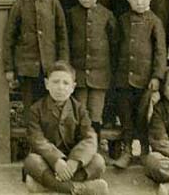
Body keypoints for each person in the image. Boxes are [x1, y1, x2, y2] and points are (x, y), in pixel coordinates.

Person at [23, 61, 109, 195]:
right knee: (31, 162)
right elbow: (37, 139)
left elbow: (90, 137)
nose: (60, 87)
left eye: (65, 83)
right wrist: (56, 160)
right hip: (49, 163)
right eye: (55, 82)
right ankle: (77, 189)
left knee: (98, 162)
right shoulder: (36, 109)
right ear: (47, 84)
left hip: (71, 165)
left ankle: (50, 187)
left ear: (73, 87)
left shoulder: (79, 109)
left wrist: (74, 162)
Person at [3, 0, 69, 122]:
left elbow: (62, 38)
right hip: (27, 68)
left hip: (49, 67)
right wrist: (9, 68)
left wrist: (63, 65)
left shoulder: (54, 4)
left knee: (50, 106)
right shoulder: (20, 5)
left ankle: (48, 141)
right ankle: (31, 142)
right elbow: (9, 37)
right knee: (30, 108)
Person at [112, 0, 167, 169]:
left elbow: (160, 51)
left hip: (145, 80)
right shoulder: (122, 20)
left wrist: (157, 76)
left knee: (143, 117)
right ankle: (127, 150)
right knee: (125, 116)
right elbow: (115, 47)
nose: (139, 1)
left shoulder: (155, 22)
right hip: (123, 78)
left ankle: (144, 150)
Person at [67, 0, 117, 142]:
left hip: (100, 75)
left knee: (95, 112)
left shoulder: (106, 15)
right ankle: (79, 144)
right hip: (78, 74)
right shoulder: (71, 14)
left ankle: (94, 145)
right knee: (80, 110)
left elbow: (114, 44)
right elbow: (66, 42)